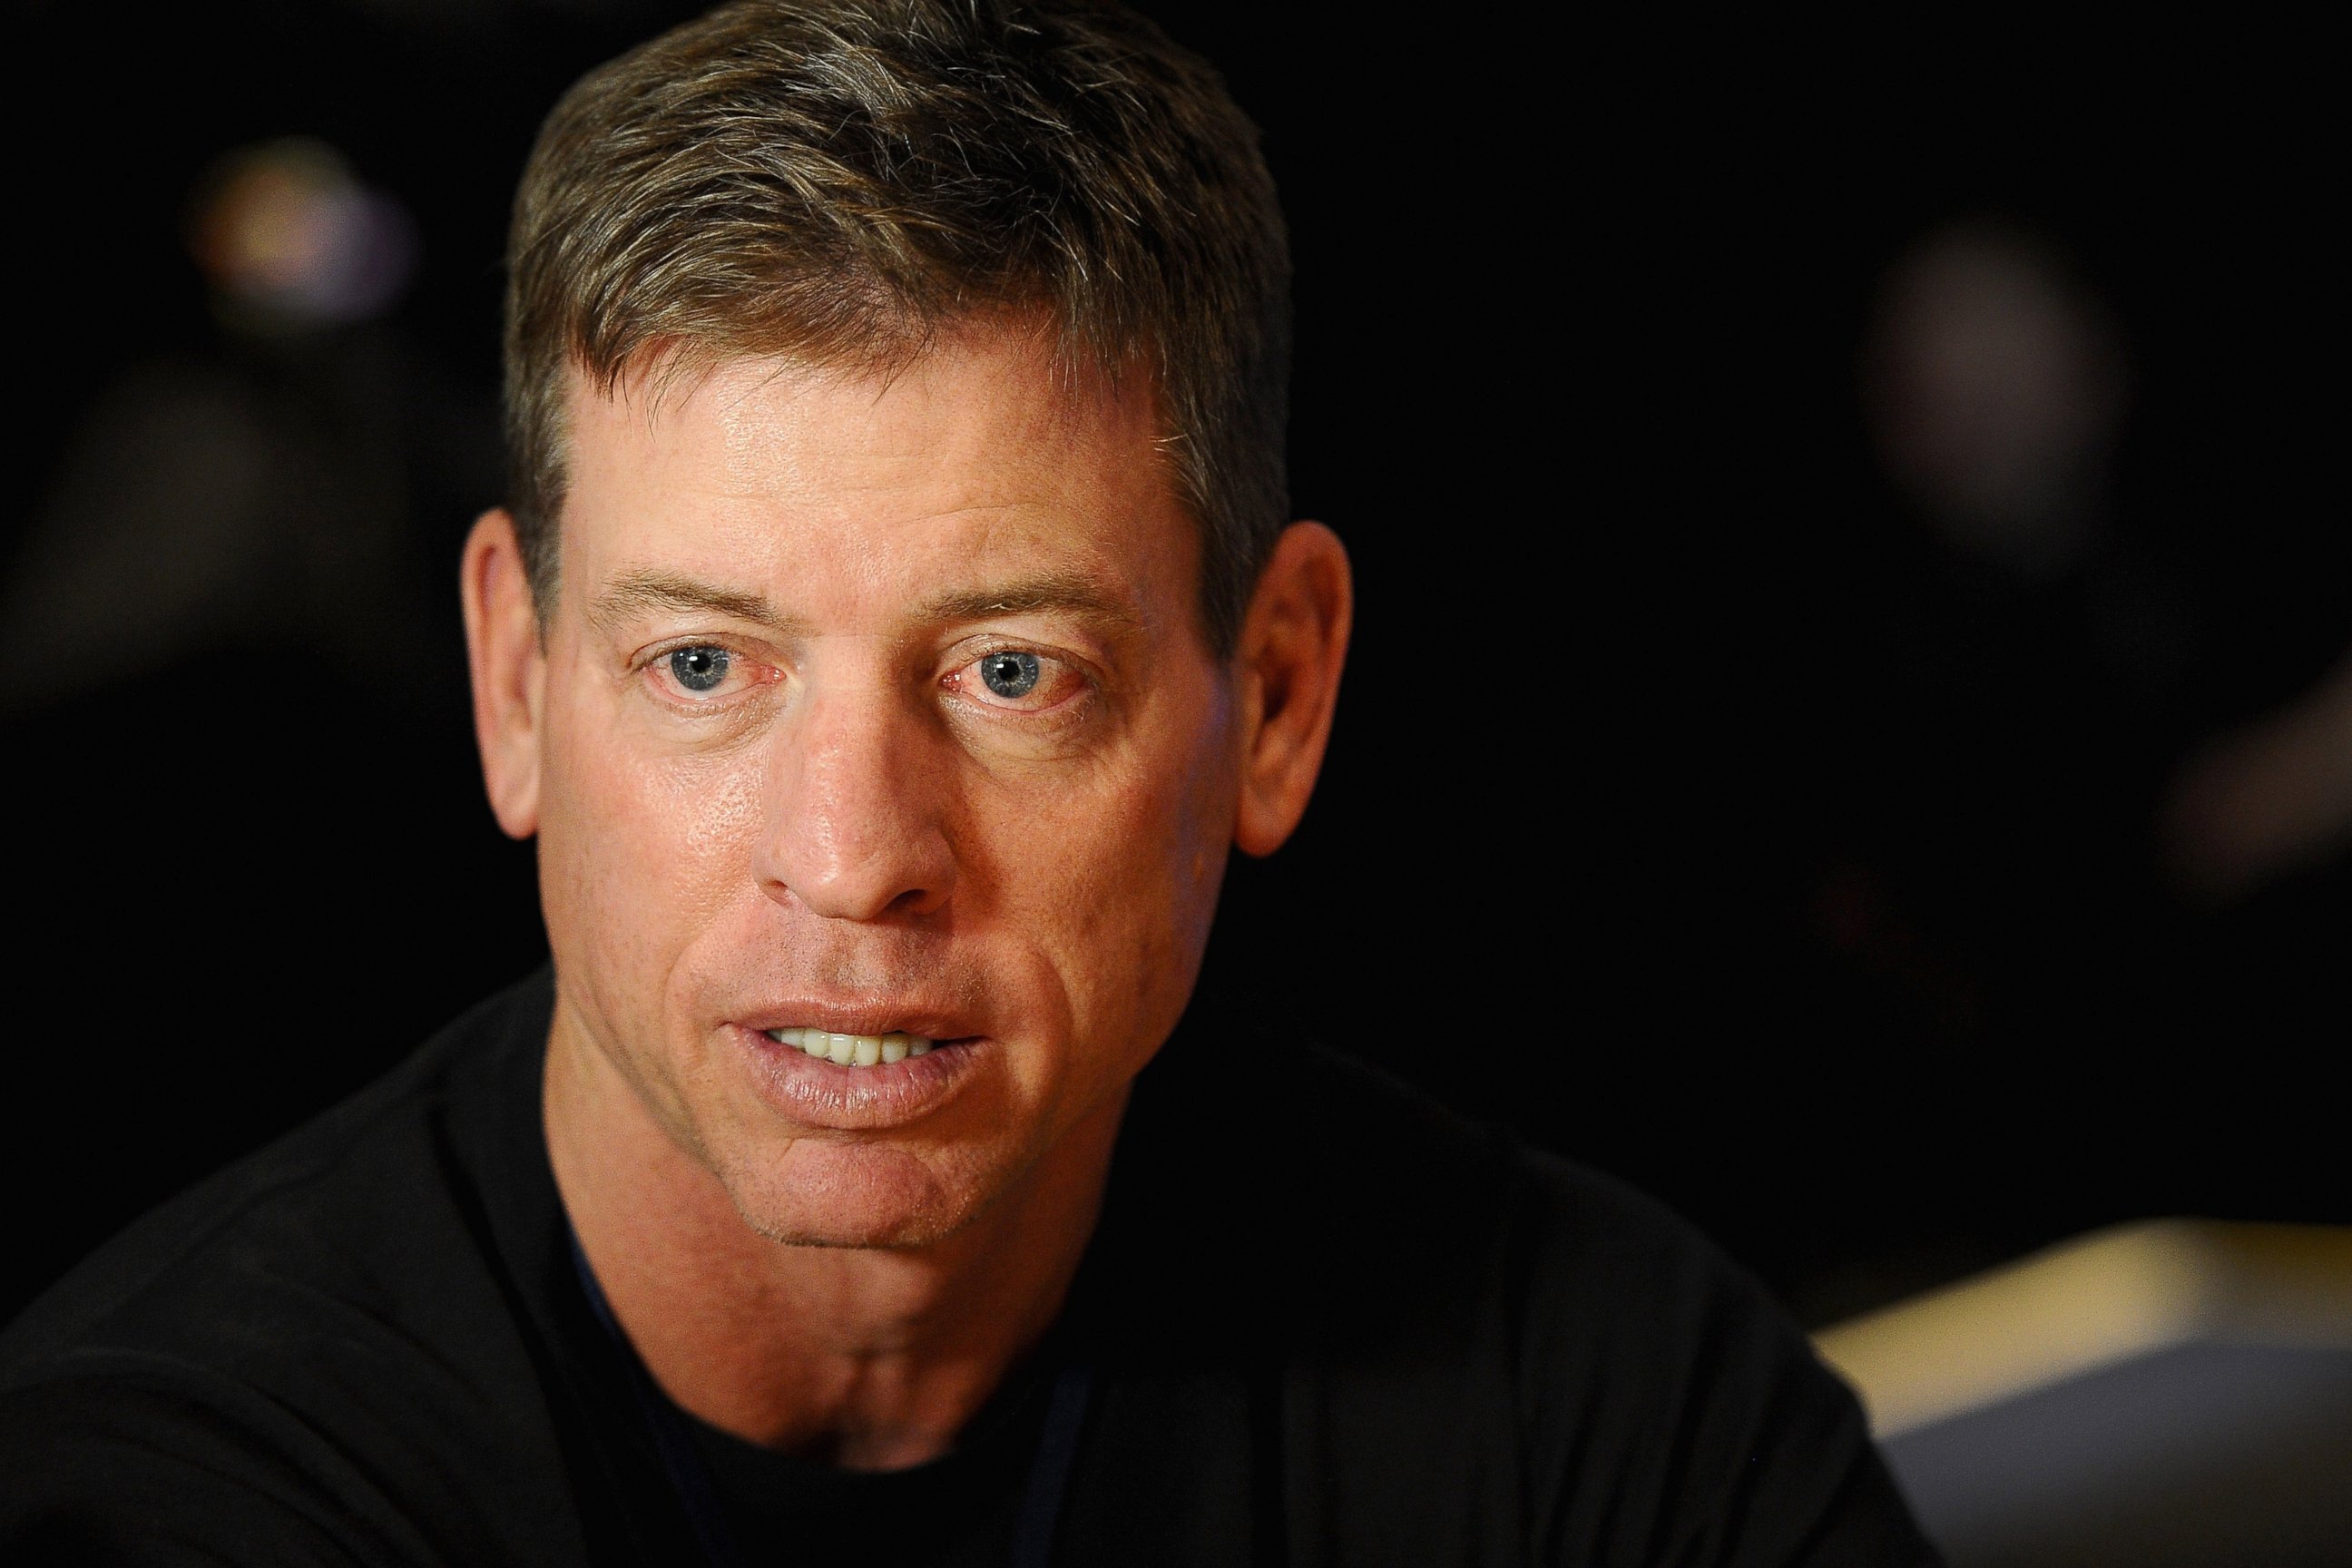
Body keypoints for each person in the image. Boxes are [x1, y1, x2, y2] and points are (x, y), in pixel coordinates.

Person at [0, 2, 1939, 1562]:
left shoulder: (1610, 1417)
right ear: (517, 686)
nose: (854, 861)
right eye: (704, 667)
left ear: (1274, 698)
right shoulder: (168, 1487)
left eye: (1015, 672)